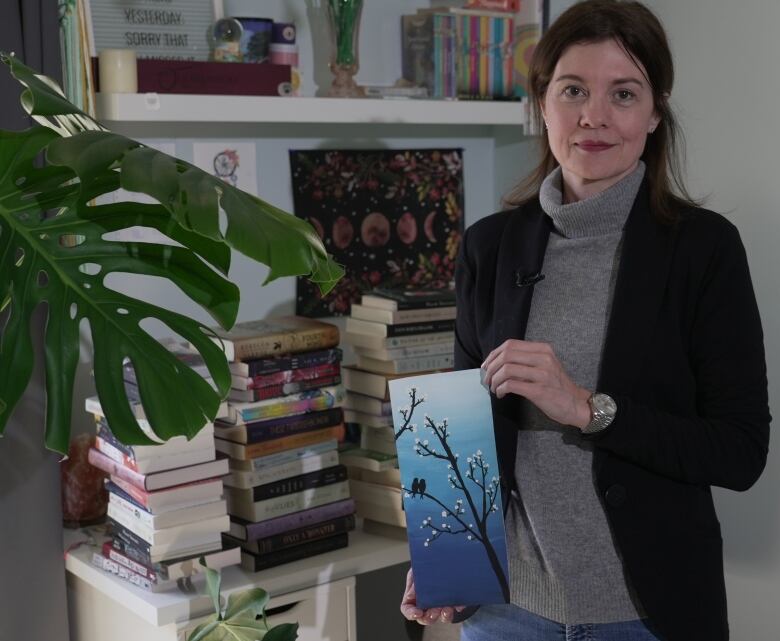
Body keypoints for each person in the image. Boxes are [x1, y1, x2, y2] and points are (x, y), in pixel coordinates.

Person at [399, 1, 771, 640]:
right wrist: (446, 557)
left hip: (645, 617)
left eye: (623, 94)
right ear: (542, 104)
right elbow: (464, 428)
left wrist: (586, 409)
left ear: (654, 114)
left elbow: (740, 452)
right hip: (503, 615)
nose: (594, 116)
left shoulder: (703, 250)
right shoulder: (489, 247)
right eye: (573, 90)